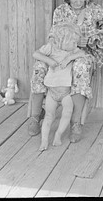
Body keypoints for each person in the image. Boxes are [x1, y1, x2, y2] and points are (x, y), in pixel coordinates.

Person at [27, 0, 103, 142]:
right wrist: (54, 51)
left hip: (86, 52)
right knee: (40, 65)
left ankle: (75, 122)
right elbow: (53, 36)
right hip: (60, 51)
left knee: (80, 67)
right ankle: (35, 115)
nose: (79, 2)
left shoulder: (94, 10)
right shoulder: (61, 11)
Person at [36, 23, 86, 151]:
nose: (76, 44)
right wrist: (49, 61)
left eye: (76, 42)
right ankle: (44, 140)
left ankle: (58, 135)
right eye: (73, 42)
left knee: (67, 113)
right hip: (52, 92)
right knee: (49, 116)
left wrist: (69, 57)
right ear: (61, 40)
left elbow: (82, 53)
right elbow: (36, 54)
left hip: (66, 93)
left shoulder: (72, 50)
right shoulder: (51, 48)